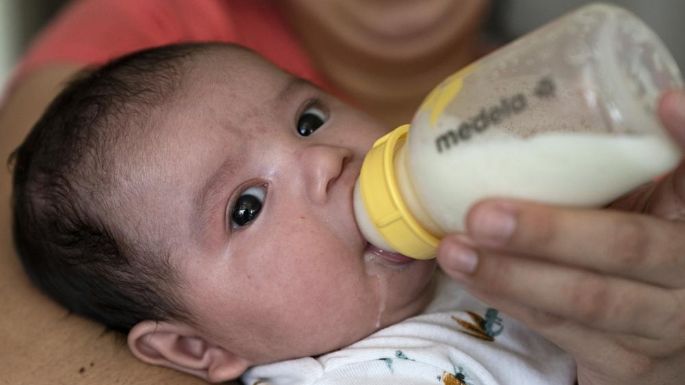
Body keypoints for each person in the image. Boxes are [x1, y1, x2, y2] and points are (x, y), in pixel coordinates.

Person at [1, 0, 685, 384]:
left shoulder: (485, 248)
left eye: (308, 119)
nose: (325, 160)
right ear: (195, 350)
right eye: (246, 206)